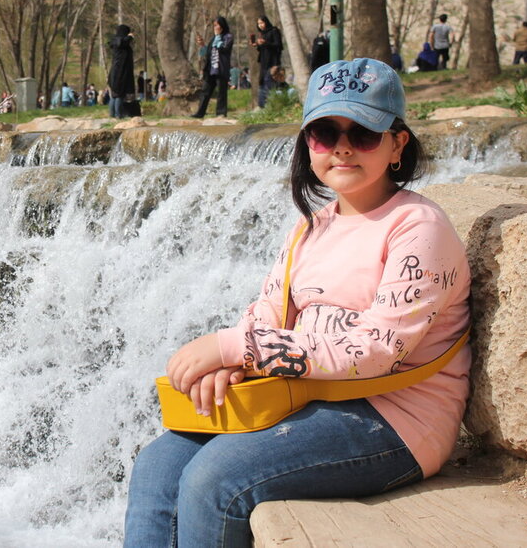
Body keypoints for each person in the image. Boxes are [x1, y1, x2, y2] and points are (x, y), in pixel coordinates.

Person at [124, 57, 471, 547]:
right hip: (307, 396)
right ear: (308, 144)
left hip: (395, 417)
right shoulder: (312, 227)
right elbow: (267, 315)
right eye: (325, 133)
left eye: (364, 134)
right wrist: (234, 368)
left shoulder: (418, 227)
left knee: (214, 480)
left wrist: (237, 349)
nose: (343, 147)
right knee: (158, 465)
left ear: (397, 144)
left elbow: (378, 348)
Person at [192, 16, 233, 118]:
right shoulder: (213, 38)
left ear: (222, 25)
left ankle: (221, 113)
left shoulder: (228, 37)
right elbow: (207, 52)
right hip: (210, 70)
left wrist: (218, 36)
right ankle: (200, 112)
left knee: (221, 92)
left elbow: (223, 48)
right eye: (214, 26)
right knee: (205, 91)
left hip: (221, 69)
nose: (215, 27)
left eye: (217, 25)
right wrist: (202, 45)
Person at [251, 15, 283, 108]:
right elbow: (262, 49)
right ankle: (262, 105)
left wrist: (266, 43)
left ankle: (271, 104)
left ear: (266, 22)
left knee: (270, 82)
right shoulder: (262, 34)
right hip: (264, 62)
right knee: (262, 82)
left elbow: (278, 45)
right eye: (258, 24)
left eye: (262, 23)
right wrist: (257, 45)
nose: (260, 25)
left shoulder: (274, 31)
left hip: (273, 61)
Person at [108, 24, 136, 119]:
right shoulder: (119, 42)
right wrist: (130, 37)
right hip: (120, 72)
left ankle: (113, 115)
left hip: (116, 72)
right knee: (119, 94)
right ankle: (118, 115)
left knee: (115, 95)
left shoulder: (116, 41)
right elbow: (122, 42)